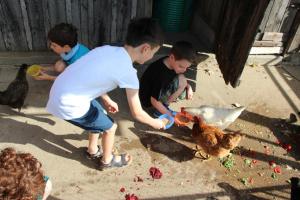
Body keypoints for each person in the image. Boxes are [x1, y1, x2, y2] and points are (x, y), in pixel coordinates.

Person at [46, 17, 166, 170]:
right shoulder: (128, 73)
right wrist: (157, 123)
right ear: (145, 48)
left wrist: (106, 99)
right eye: (154, 52)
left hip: (62, 90)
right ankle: (107, 161)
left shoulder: (106, 49)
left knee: (99, 113)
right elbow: (138, 113)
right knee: (111, 127)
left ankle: (92, 150)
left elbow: (94, 79)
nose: (152, 56)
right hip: (69, 103)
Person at [139, 41, 196, 117]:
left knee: (182, 79)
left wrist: (188, 87)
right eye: (181, 66)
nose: (184, 70)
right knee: (182, 83)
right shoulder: (162, 76)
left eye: (187, 67)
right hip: (148, 100)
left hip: (155, 91)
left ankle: (164, 106)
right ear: (172, 57)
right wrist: (169, 114)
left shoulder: (169, 61)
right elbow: (154, 101)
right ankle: (160, 111)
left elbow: (179, 75)